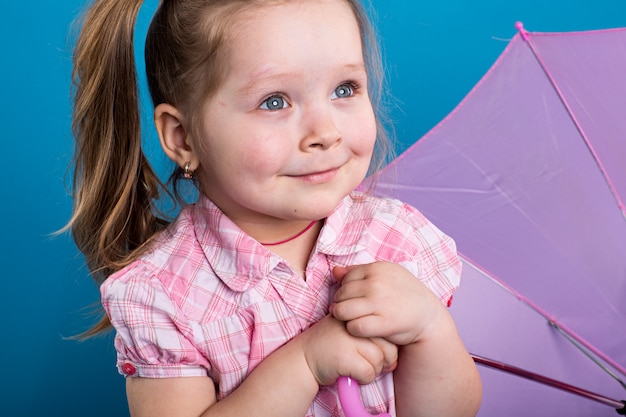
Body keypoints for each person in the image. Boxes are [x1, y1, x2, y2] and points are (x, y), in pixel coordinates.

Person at [68, 0, 482, 415]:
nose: (325, 133)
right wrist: (304, 363)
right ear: (183, 138)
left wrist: (430, 329)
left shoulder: (397, 239)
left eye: (344, 89)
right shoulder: (163, 296)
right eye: (274, 101)